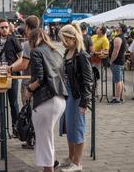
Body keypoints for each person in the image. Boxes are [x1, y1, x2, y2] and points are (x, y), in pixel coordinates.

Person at [25, 28, 67, 172]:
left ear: (33, 39)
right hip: (59, 99)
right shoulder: (56, 51)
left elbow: (39, 78)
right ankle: (49, 166)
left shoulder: (36, 51)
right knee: (47, 137)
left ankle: (48, 169)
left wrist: (29, 90)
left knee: (44, 139)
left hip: (45, 100)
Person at [59, 24, 93, 172]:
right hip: (68, 94)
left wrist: (85, 101)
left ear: (71, 38)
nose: (62, 42)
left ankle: (77, 163)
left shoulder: (81, 55)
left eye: (64, 39)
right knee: (69, 127)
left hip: (77, 96)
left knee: (77, 128)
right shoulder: (68, 51)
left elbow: (88, 80)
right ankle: (71, 157)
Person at [0, 19, 23, 138]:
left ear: (9, 28)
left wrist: (12, 67)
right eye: (2, 27)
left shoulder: (14, 40)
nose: (4, 29)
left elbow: (21, 57)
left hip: (12, 74)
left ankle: (16, 128)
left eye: (6, 27)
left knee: (14, 103)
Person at [8, 15, 40, 149]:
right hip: (41, 81)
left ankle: (32, 139)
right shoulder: (44, 40)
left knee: (30, 110)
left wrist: (10, 68)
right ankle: (36, 138)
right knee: (37, 110)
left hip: (29, 81)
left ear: (27, 27)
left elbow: (24, 65)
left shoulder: (28, 43)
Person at [108, 23, 127, 104]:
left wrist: (111, 61)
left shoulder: (118, 38)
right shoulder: (121, 37)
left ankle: (117, 98)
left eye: (118, 26)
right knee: (120, 80)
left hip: (117, 62)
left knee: (117, 81)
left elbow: (116, 51)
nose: (116, 26)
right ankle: (120, 97)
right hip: (120, 61)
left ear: (120, 29)